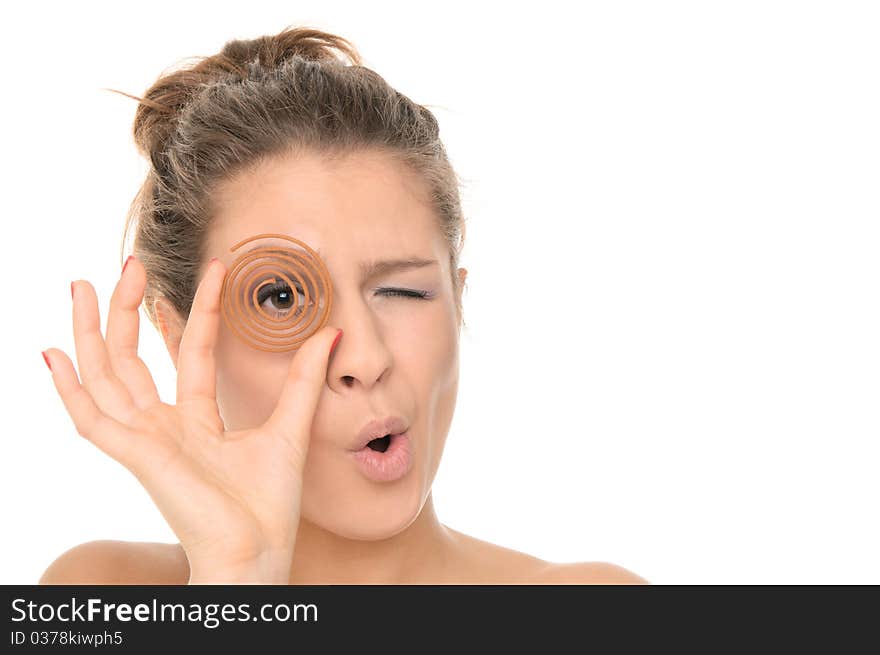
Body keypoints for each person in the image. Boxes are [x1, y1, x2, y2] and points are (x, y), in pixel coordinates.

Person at [37, 25, 648, 585]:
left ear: (457, 298)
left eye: (403, 291)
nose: (364, 357)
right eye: (281, 298)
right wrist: (237, 576)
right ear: (178, 337)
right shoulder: (102, 590)